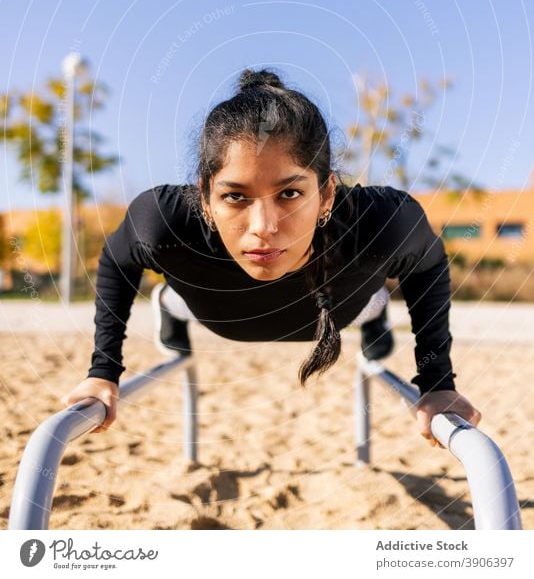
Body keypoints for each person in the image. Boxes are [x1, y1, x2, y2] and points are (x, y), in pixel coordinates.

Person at [62, 68, 481, 447]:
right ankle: (170, 310)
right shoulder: (163, 224)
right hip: (210, 313)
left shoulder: (385, 223)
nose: (263, 225)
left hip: (346, 310)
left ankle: (376, 327)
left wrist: (437, 381)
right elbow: (117, 262)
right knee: (175, 298)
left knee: (373, 304)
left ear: (327, 193)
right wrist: (103, 373)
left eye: (291, 193)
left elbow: (428, 265)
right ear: (206, 196)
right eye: (235, 196)